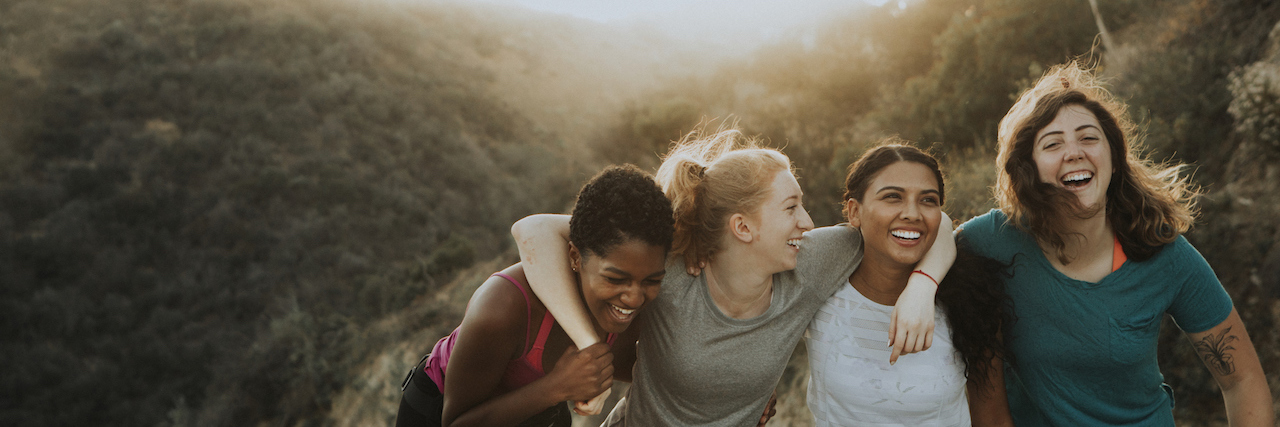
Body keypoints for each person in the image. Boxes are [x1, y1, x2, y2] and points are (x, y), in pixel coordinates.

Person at [511, 127, 955, 426]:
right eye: (790, 207)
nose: (807, 221)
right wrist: (590, 348)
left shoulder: (815, 260)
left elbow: (932, 224)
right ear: (743, 228)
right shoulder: (672, 268)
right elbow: (532, 230)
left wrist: (922, 286)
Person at [956, 62, 1274, 425]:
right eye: (1052, 144)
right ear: (1028, 167)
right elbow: (926, 242)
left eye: (1088, 137)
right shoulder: (996, 240)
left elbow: (1242, 380)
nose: (1074, 152)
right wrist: (923, 285)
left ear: (1113, 156)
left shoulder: (1162, 253)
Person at [394, 165, 675, 427]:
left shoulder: (625, 312)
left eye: (652, 281)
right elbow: (456, 422)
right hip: (441, 412)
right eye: (616, 279)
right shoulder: (502, 307)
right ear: (575, 256)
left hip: (538, 410)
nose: (635, 298)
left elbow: (646, 369)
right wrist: (558, 387)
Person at [806, 142, 1013, 426]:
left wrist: (924, 286)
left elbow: (993, 419)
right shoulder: (819, 288)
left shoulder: (970, 300)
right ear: (854, 211)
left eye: (927, 200)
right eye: (893, 197)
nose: (912, 213)